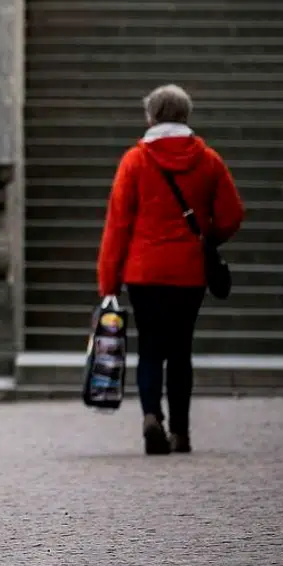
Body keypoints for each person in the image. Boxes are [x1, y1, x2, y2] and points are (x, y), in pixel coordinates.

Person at [98, 84, 243, 456]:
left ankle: (151, 416)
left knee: (150, 348)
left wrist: (109, 281)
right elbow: (232, 215)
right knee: (180, 350)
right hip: (189, 271)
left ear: (151, 117)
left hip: (143, 272)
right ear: (186, 115)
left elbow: (117, 225)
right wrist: (208, 237)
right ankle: (180, 431)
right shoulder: (209, 160)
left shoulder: (134, 161)